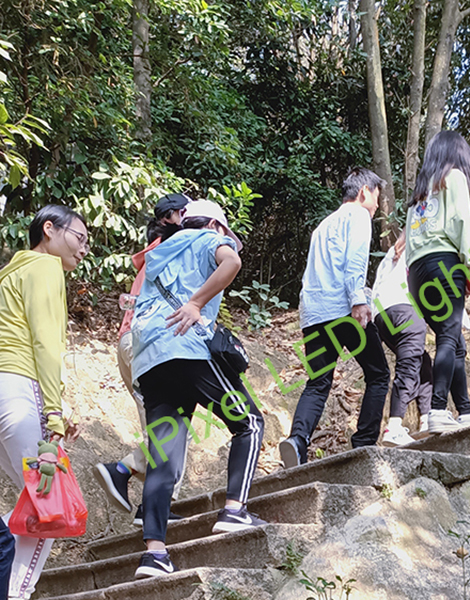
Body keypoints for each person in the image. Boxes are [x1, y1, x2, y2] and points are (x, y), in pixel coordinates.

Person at [130, 200, 264, 578]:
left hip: (150, 362)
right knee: (249, 423)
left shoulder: (159, 253)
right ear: (217, 225)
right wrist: (196, 303)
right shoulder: (208, 238)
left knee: (163, 455)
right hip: (185, 349)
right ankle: (235, 510)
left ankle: (155, 554)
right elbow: (232, 263)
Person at [0, 205, 87, 599]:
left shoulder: (10, 273)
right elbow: (46, 344)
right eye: (79, 237)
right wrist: (54, 411)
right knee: (50, 508)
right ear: (49, 229)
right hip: (21, 388)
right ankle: (17, 593)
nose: (83, 249)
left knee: (33, 501)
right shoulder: (45, 267)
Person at [279, 168, 391, 468]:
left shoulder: (323, 226)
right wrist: (358, 300)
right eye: (376, 197)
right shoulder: (359, 216)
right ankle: (364, 445)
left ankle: (297, 441)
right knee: (378, 374)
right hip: (343, 310)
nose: (377, 205)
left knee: (318, 381)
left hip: (314, 313)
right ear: (364, 191)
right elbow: (354, 261)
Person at [94, 193, 190, 524]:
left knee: (168, 423)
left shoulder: (155, 251)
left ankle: (144, 496)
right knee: (171, 425)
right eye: (186, 213)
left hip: (131, 342)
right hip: (147, 345)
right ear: (172, 217)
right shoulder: (174, 249)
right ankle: (131, 479)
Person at [406, 131, 470, 432]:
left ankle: (466, 411)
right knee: (448, 336)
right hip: (444, 264)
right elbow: (461, 222)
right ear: (456, 153)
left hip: (417, 273)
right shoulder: (454, 177)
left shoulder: (420, 192)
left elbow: (409, 240)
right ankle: (437, 410)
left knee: (455, 341)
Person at [372, 231, 432, 447]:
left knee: (422, 361)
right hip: (404, 309)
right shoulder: (419, 249)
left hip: (381, 315)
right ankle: (394, 426)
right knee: (408, 367)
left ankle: (426, 419)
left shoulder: (391, 255)